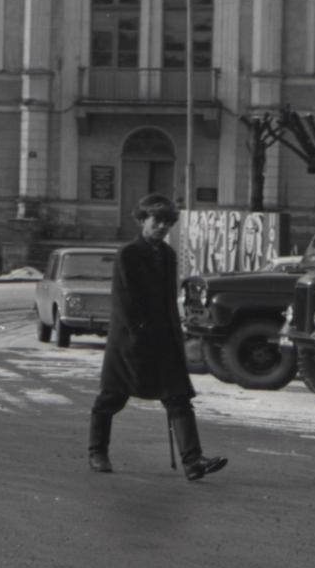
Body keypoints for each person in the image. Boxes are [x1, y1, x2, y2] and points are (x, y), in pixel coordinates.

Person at [89, 195, 226, 481]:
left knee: (178, 399)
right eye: (157, 221)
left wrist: (176, 334)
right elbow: (124, 302)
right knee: (112, 397)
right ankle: (97, 452)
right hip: (130, 341)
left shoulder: (167, 255)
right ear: (142, 220)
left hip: (164, 340)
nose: (163, 227)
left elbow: (167, 300)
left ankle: (193, 461)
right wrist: (139, 335)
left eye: (168, 223)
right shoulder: (128, 254)